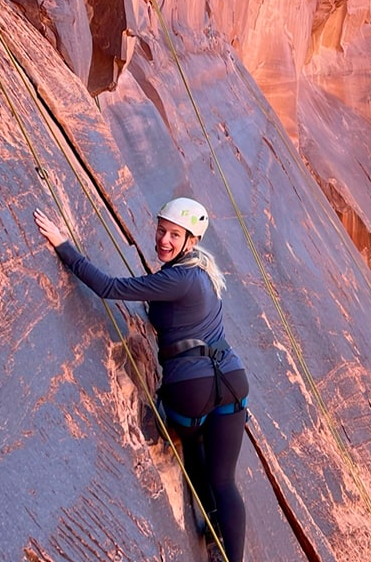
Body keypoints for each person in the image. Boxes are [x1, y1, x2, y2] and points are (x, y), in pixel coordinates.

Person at [34, 198, 248, 562]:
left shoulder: (177, 277)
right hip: (232, 381)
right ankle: (225, 544)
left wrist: (63, 245)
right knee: (225, 480)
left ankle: (209, 521)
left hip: (191, 390)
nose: (164, 239)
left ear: (190, 240)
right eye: (161, 230)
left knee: (191, 440)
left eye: (173, 234)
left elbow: (108, 288)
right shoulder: (203, 273)